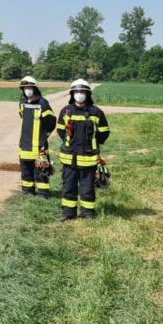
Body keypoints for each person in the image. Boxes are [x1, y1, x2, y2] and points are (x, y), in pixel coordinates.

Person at [55, 79, 110, 221]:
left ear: (88, 94)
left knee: (87, 187)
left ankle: (87, 213)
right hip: (69, 158)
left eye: (82, 92)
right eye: (77, 92)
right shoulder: (65, 111)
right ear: (72, 94)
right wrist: (69, 142)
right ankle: (68, 213)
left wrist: (93, 143)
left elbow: (104, 132)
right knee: (68, 186)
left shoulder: (96, 112)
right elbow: (61, 130)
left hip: (88, 158)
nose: (79, 94)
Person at [17, 76, 57, 198]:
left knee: (41, 170)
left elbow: (51, 122)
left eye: (29, 87)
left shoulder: (43, 103)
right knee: (26, 170)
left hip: (39, 144)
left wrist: (44, 136)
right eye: (25, 88)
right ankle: (27, 191)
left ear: (35, 88)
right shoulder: (22, 102)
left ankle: (43, 193)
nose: (27, 90)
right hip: (24, 143)